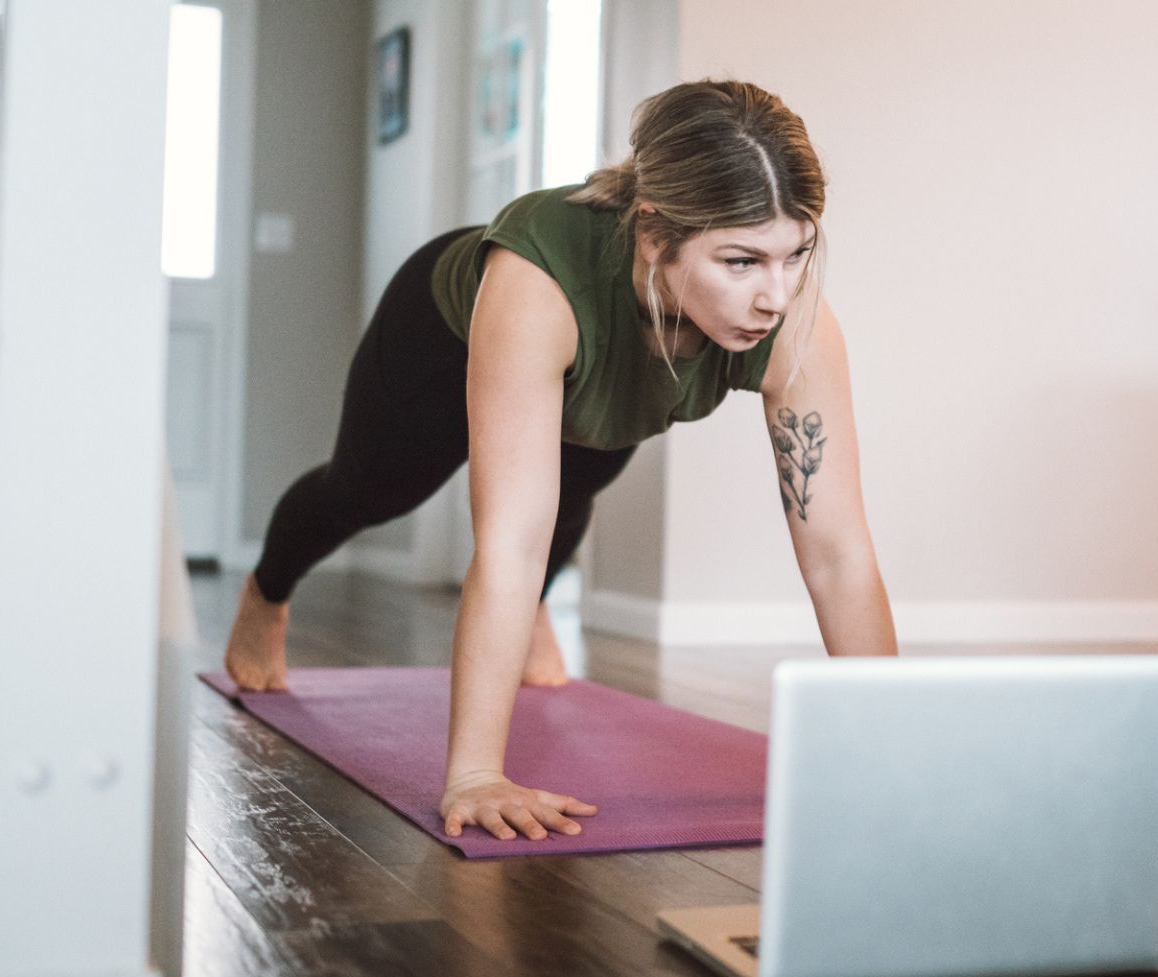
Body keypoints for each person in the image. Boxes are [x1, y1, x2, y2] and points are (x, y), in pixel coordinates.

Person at [222, 79, 897, 842]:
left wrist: (885, 746)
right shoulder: (537, 283)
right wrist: (476, 775)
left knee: (581, 482)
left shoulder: (793, 316)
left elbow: (838, 552)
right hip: (438, 339)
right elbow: (507, 539)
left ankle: (536, 607)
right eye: (741, 262)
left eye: (796, 254)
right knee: (369, 492)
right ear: (653, 238)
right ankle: (267, 591)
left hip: (597, 367)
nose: (777, 296)